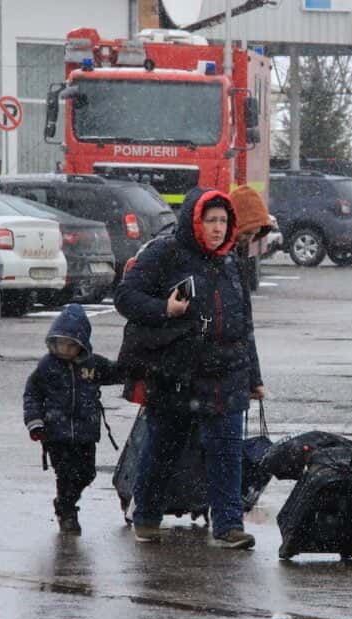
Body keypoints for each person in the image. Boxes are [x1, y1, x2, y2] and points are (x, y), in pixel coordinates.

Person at [115, 187, 266, 549]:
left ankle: (228, 524)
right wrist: (164, 309)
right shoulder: (166, 253)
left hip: (226, 375)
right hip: (177, 373)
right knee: (163, 446)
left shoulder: (231, 262)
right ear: (196, 222)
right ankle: (147, 515)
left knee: (227, 452)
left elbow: (243, 325)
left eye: (223, 221)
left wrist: (254, 378)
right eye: (211, 220)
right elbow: (126, 297)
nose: (217, 228)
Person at [23, 304, 123, 534]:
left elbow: (118, 372)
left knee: (87, 472)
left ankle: (64, 502)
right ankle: (67, 511)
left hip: (85, 432)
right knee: (66, 472)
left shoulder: (92, 364)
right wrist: (35, 422)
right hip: (56, 433)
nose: (65, 350)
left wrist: (141, 370)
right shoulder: (47, 366)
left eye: (71, 345)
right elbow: (32, 394)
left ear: (81, 345)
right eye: (60, 344)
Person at [229, 185, 275, 292]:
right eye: (247, 233)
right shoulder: (220, 257)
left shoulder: (235, 255)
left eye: (254, 234)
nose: (249, 239)